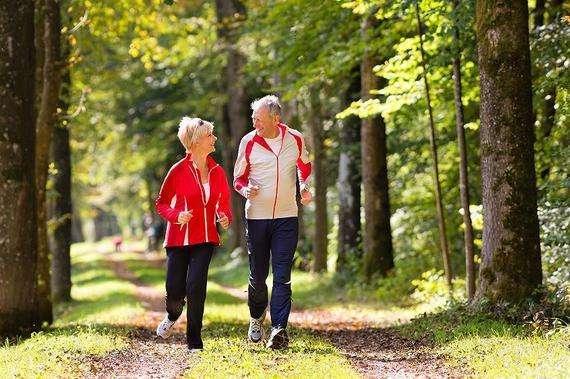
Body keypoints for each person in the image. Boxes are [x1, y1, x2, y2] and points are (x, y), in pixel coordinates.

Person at [233, 95, 312, 349]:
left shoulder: (295, 139)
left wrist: (305, 186)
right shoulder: (248, 142)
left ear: (275, 118)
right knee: (258, 276)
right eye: (253, 117)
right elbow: (238, 179)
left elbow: (305, 166)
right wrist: (246, 190)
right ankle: (256, 318)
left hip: (287, 217)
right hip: (257, 217)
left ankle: (279, 329)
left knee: (282, 275)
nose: (254, 121)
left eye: (259, 118)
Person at [155, 117, 232, 352]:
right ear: (196, 141)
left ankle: (194, 342)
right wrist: (177, 215)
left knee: (196, 286)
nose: (214, 138)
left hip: (205, 238)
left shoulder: (217, 172)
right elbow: (161, 203)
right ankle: (172, 315)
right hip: (178, 240)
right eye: (210, 135)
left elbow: (223, 202)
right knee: (175, 291)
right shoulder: (177, 171)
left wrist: (224, 215)